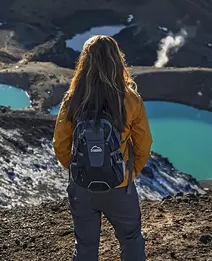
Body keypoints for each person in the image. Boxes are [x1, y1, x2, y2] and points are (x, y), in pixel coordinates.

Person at [53, 35, 152, 261]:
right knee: (131, 239)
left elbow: (60, 144)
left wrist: (79, 168)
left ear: (84, 63)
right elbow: (144, 144)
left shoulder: (73, 99)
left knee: (86, 246)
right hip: (120, 185)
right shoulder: (130, 99)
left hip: (82, 187)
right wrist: (131, 172)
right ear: (117, 61)